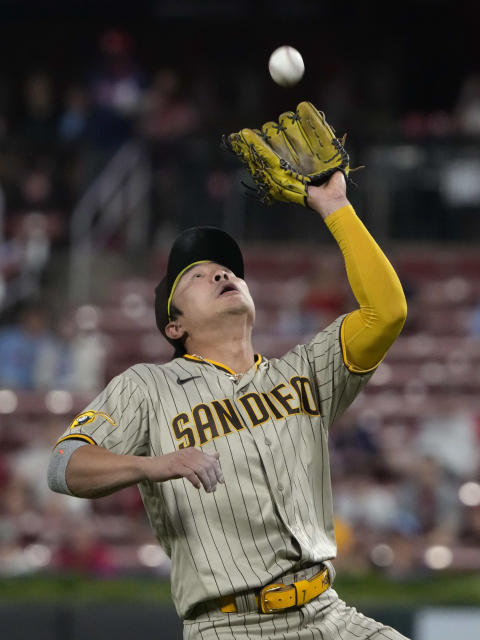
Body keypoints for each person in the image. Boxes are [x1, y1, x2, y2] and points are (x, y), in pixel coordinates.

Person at [48, 106, 408, 638]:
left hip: (328, 614)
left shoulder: (305, 373)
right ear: (174, 327)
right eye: (197, 275)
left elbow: (387, 313)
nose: (221, 272)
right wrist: (154, 465)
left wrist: (335, 207)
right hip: (230, 627)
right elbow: (63, 466)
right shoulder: (148, 386)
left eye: (229, 270)